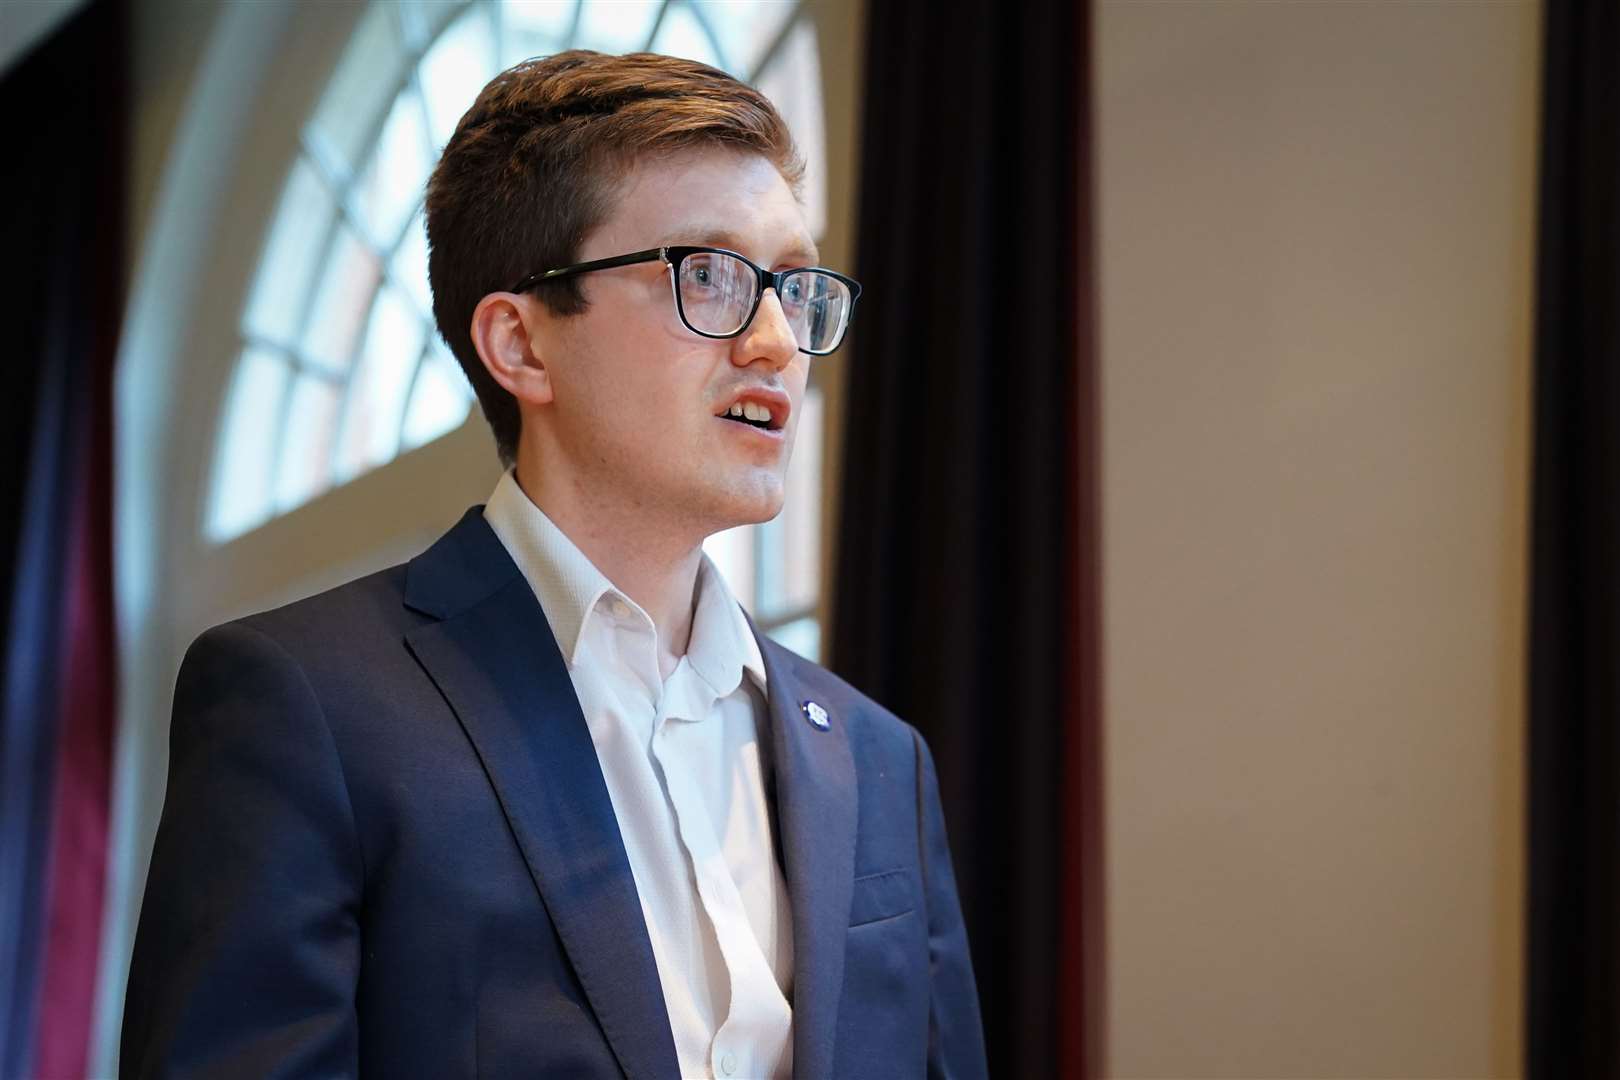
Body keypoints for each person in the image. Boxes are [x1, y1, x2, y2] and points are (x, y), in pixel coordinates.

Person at [121, 50, 985, 1080]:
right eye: (706, 275)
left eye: (793, 288)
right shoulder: (308, 706)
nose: (774, 343)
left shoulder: (882, 760)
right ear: (522, 346)